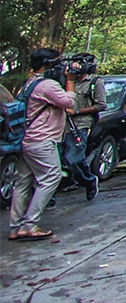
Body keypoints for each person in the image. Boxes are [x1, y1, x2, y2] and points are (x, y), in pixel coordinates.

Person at [8, 50, 77, 241]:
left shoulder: (29, 83)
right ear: (48, 64)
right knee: (51, 177)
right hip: (42, 140)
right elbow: (69, 102)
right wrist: (70, 80)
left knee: (23, 183)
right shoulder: (47, 85)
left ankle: (15, 227)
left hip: (27, 139)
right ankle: (30, 225)